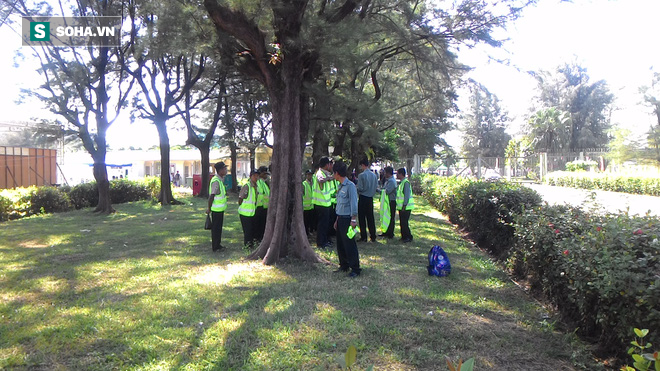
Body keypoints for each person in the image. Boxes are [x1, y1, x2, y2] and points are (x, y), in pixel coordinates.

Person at [332, 160, 361, 277]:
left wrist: (353, 219)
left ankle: (355, 268)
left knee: (349, 244)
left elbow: (354, 204)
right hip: (340, 219)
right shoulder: (340, 186)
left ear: (337, 173)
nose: (333, 175)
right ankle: (344, 265)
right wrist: (337, 220)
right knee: (340, 244)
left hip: (348, 219)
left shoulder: (350, 186)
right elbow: (339, 204)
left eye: (334, 173)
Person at [312, 157, 334, 249]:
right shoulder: (320, 173)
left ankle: (324, 241)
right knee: (322, 224)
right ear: (326, 165)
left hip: (326, 203)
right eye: (329, 164)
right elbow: (320, 180)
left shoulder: (325, 173)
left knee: (325, 224)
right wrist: (329, 178)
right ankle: (321, 243)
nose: (330, 166)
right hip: (321, 204)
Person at [206, 162, 228, 252]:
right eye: (224, 169)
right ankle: (215, 246)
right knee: (216, 228)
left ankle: (218, 244)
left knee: (218, 228)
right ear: (220, 170)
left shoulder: (220, 180)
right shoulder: (216, 181)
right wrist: (209, 208)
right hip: (216, 209)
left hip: (220, 209)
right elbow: (212, 196)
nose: (225, 170)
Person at [356, 159, 377, 242]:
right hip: (370, 198)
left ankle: (364, 236)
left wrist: (356, 188)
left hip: (363, 197)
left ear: (363, 165)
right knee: (370, 217)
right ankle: (373, 235)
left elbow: (360, 188)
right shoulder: (374, 175)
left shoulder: (361, 175)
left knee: (362, 218)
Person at [238, 170, 260, 249]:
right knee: (247, 231)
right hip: (245, 213)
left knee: (251, 229)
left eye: (257, 176)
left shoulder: (255, 186)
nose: (256, 178)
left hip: (252, 212)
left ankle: (251, 244)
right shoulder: (247, 186)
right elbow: (240, 198)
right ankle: (247, 246)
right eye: (255, 176)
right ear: (251, 176)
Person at [396, 167, 415, 243]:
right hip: (402, 207)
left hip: (406, 207)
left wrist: (404, 205)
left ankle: (408, 237)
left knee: (404, 223)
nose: (396, 175)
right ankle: (404, 236)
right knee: (402, 223)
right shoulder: (402, 183)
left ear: (401, 174)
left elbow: (406, 195)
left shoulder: (405, 183)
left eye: (397, 174)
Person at [380, 166, 397, 239]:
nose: (384, 174)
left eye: (385, 172)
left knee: (391, 217)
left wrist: (378, 190)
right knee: (386, 216)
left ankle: (390, 233)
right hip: (387, 201)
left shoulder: (392, 181)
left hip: (391, 201)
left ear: (388, 173)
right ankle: (386, 231)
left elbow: (387, 191)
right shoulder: (388, 180)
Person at [255, 165, 270, 241]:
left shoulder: (264, 183)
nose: (266, 176)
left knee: (263, 224)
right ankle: (257, 238)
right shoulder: (258, 182)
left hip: (264, 207)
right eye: (264, 174)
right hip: (258, 207)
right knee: (258, 224)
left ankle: (261, 237)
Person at [302, 170, 315, 235]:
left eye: (311, 175)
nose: (310, 176)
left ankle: (310, 231)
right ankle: (306, 233)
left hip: (311, 206)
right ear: (306, 175)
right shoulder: (304, 184)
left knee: (311, 221)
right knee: (305, 222)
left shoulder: (313, 184)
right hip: (305, 207)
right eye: (308, 174)